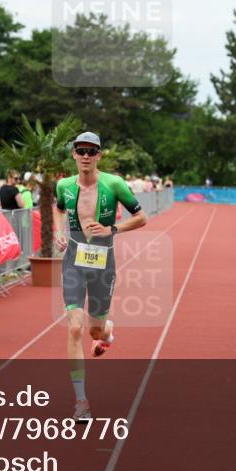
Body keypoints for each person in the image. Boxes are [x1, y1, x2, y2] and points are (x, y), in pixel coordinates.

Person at [54, 132, 147, 421]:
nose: (85, 156)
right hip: (73, 261)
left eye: (91, 151)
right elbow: (58, 208)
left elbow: (141, 217)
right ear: (73, 154)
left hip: (102, 263)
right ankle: (81, 401)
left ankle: (106, 330)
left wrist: (113, 229)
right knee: (74, 328)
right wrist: (59, 232)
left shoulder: (114, 183)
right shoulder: (64, 185)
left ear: (99, 155)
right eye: (80, 150)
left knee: (94, 331)